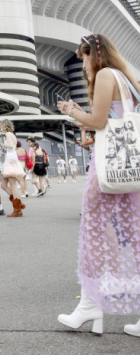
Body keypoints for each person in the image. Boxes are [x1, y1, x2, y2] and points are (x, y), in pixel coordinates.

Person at [57, 33, 140, 336]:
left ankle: (91, 304)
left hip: (107, 168)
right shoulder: (127, 78)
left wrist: (72, 111)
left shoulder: (105, 74)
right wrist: (87, 117)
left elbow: (100, 121)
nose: (84, 66)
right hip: (129, 166)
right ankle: (94, 307)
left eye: (83, 58)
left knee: (92, 228)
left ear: (94, 54)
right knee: (134, 234)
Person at [0, 120, 26, 217]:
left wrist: (0, 145)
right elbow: (11, 147)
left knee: (12, 185)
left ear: (4, 126)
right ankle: (18, 203)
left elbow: (10, 145)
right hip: (10, 159)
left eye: (1, 126)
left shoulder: (8, 134)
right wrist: (3, 148)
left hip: (10, 161)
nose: (0, 128)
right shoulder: (12, 134)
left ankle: (17, 209)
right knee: (3, 185)